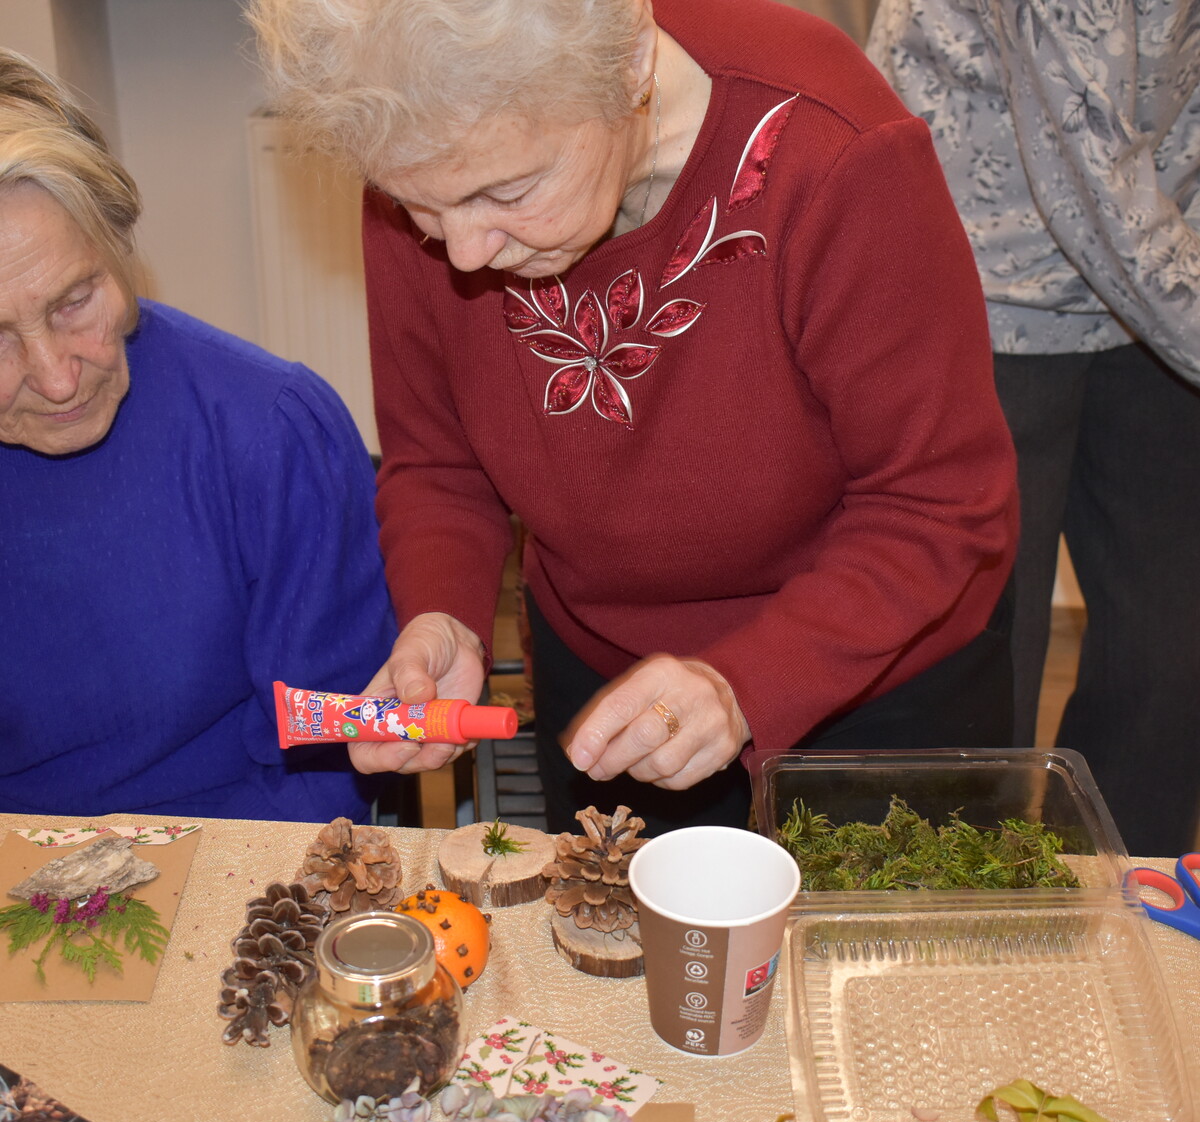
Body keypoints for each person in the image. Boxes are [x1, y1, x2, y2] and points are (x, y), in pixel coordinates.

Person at [250, 0, 1018, 837]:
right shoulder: (429, 155)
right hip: (602, 677)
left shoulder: (833, 154)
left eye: (508, 192)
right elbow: (440, 462)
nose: (463, 252)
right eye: (422, 211)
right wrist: (443, 617)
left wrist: (745, 682)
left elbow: (938, 503)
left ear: (630, 71)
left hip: (865, 678)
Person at [0, 48, 397, 823]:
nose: (55, 377)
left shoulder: (271, 432)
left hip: (233, 857)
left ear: (121, 249)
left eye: (75, 301)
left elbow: (329, 752)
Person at [868, 1, 1200, 856]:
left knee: (1170, 663)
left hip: (1165, 298)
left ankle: (1128, 910)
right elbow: (1086, 176)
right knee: (982, 681)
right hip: (986, 300)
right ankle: (965, 942)